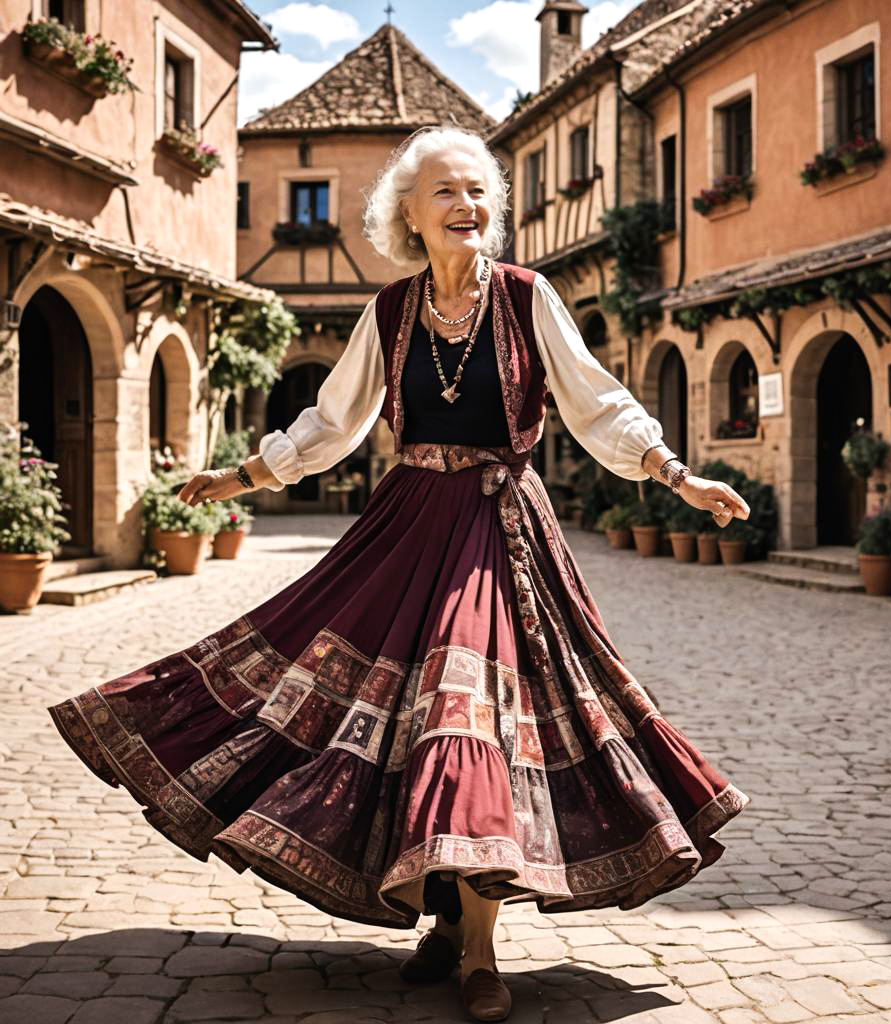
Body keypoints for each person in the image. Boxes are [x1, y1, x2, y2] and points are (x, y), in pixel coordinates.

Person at [46, 126, 752, 1023]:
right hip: (407, 525)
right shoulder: (390, 311)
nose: (468, 206)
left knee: (472, 720)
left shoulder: (528, 298)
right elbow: (331, 421)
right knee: (367, 711)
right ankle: (450, 922)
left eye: (479, 192)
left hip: (500, 530)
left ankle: (479, 951)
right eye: (446, 193)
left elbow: (596, 401)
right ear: (409, 215)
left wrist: (678, 475)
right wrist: (240, 476)